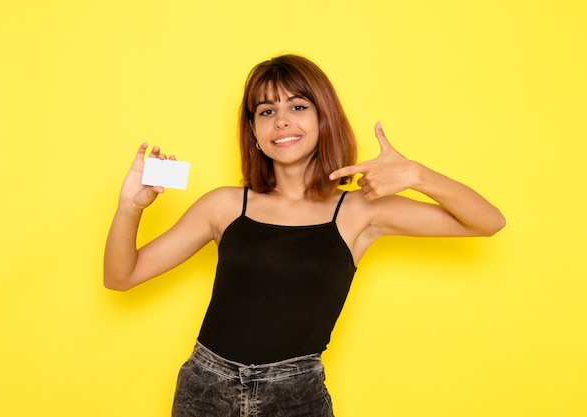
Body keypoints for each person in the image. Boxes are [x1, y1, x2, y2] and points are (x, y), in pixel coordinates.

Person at [103, 54, 505, 417]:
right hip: (206, 390)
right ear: (253, 130)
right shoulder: (223, 206)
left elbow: (486, 222)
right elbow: (121, 277)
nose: (281, 121)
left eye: (298, 107)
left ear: (322, 118)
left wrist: (418, 174)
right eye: (266, 111)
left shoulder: (359, 212)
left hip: (296, 397)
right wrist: (130, 207)